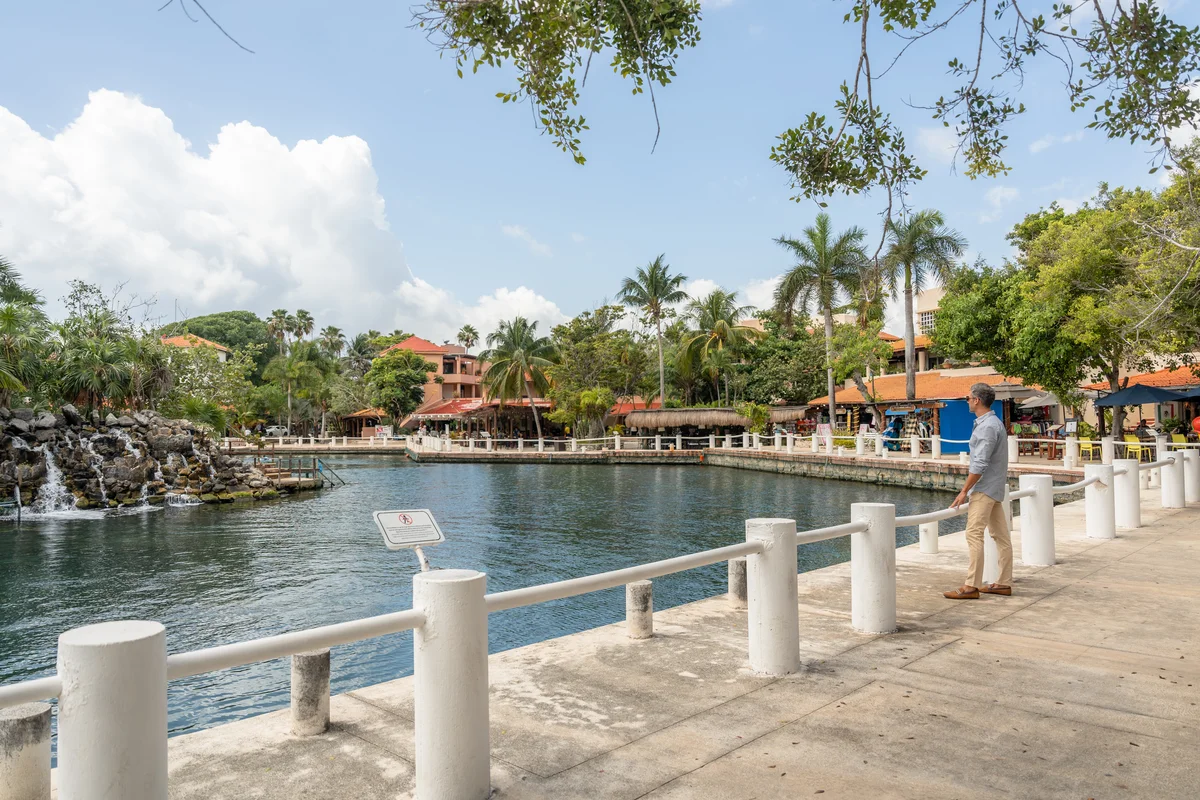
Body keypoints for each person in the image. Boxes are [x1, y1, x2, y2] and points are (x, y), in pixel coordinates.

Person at [944, 383, 1013, 600]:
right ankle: (1003, 582)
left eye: (968, 397)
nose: (966, 400)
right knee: (1001, 536)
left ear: (977, 400)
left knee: (974, 534)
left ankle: (971, 586)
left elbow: (980, 463)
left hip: (984, 489)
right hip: (994, 487)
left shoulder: (987, 427)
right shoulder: (993, 423)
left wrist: (964, 491)